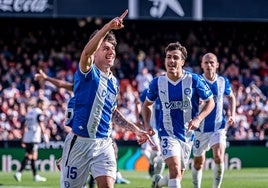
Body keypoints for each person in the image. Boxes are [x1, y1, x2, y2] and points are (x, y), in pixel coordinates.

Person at [59, 9, 155, 188]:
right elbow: (87, 52)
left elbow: (112, 112)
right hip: (80, 143)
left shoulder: (114, 82)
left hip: (104, 143)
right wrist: (108, 27)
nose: (111, 52)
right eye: (105, 48)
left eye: (113, 48)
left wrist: (135, 129)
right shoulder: (89, 72)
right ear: (96, 52)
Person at [35, 69, 131, 186]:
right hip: (90, 134)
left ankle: (69, 160)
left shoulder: (77, 94)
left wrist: (47, 78)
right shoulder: (87, 92)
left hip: (85, 137)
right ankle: (73, 163)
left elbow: (63, 84)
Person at [141, 42, 215, 188]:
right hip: (167, 132)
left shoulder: (193, 80)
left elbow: (210, 102)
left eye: (175, 57)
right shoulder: (157, 83)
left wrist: (198, 118)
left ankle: (158, 183)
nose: (171, 61)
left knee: (177, 175)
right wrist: (147, 125)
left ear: (182, 61)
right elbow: (146, 105)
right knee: (174, 170)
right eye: (168, 57)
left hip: (187, 135)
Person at [192, 52, 236, 188]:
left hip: (218, 127)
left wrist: (232, 114)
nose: (209, 65)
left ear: (217, 65)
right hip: (200, 129)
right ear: (202, 65)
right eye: (206, 62)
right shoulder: (196, 81)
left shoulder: (222, 81)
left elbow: (231, 97)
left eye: (212, 62)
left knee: (218, 156)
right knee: (198, 162)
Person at [14, 98, 49, 182]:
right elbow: (40, 123)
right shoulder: (38, 112)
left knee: (33, 156)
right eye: (43, 104)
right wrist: (45, 135)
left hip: (27, 136)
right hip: (34, 137)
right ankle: (19, 172)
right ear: (40, 104)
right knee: (30, 155)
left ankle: (35, 175)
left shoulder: (29, 112)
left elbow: (25, 126)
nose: (44, 106)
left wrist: (23, 138)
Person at [137, 88, 165, 178]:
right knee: (156, 152)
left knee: (162, 157)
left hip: (166, 129)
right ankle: (152, 163)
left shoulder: (172, 91)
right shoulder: (149, 91)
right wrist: (139, 118)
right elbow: (139, 102)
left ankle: (156, 180)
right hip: (153, 129)